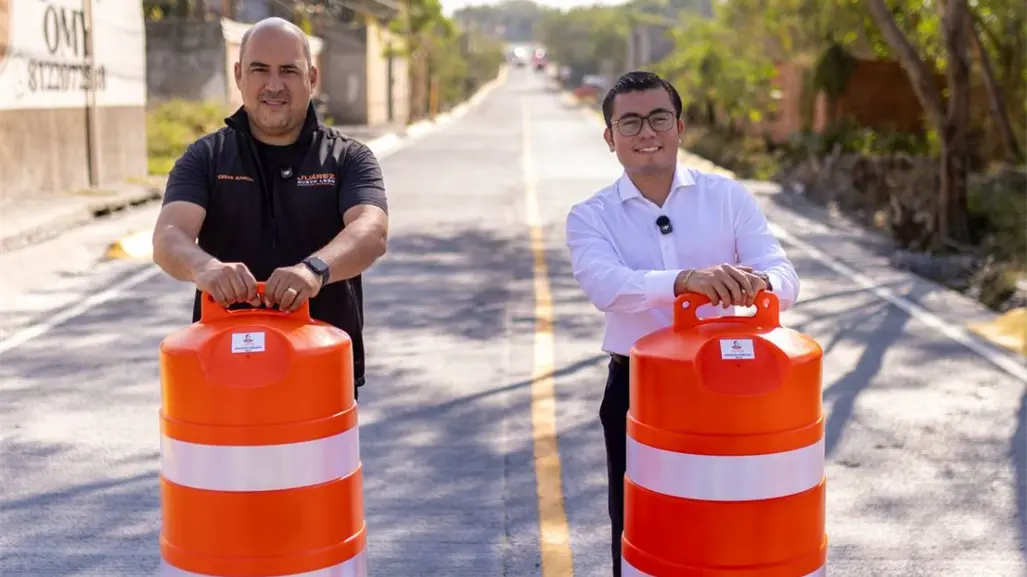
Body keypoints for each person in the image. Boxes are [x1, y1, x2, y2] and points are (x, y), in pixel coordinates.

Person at [564, 71, 800, 577]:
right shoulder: (591, 216)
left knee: (738, 519)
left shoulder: (728, 197)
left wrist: (753, 285)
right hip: (640, 389)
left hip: (738, 385)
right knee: (642, 523)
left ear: (680, 127)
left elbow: (785, 277)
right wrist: (684, 282)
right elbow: (605, 286)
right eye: (629, 122)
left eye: (658, 118)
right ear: (610, 137)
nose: (646, 132)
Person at [151, 17, 388, 399]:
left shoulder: (348, 157)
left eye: (289, 71)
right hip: (221, 375)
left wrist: (315, 271)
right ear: (239, 74)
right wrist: (206, 268)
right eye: (260, 70)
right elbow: (168, 238)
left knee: (324, 463)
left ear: (312, 77)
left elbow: (371, 232)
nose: (274, 85)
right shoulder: (206, 158)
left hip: (321, 372)